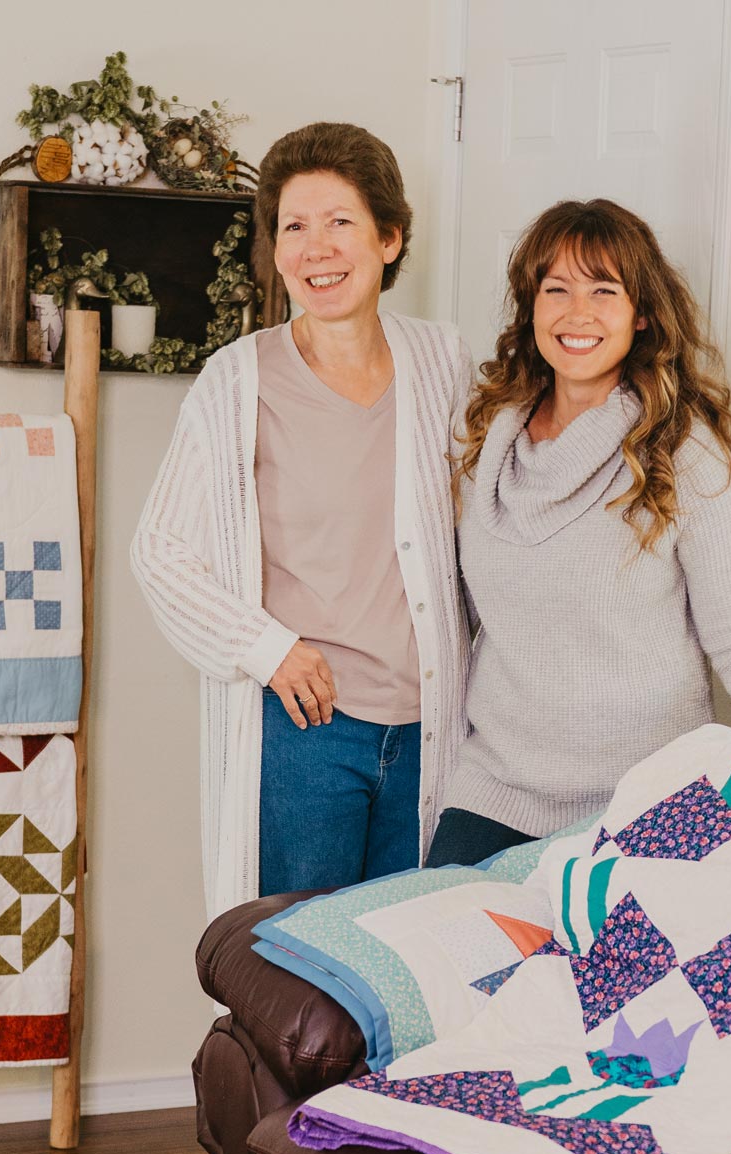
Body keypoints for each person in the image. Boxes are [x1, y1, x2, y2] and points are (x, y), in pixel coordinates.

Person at [132, 123, 473, 917]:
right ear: (276, 251)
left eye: (340, 223)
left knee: (405, 973)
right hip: (307, 731)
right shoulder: (239, 379)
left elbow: (491, 513)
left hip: (431, 728)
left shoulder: (444, 361)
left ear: (389, 238)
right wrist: (269, 649)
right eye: (294, 227)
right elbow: (161, 551)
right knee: (296, 972)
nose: (317, 248)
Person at [426, 198, 731, 868]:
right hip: (495, 791)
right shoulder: (482, 442)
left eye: (603, 291)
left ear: (641, 313)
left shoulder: (685, 453)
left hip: (649, 802)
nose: (576, 313)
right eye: (556, 289)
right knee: (432, 964)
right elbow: (460, 616)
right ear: (530, 308)